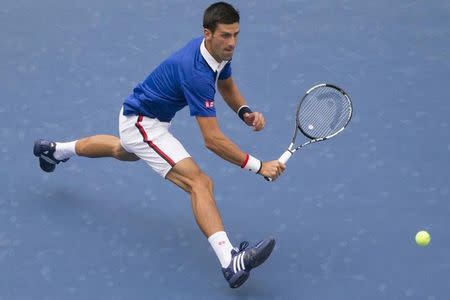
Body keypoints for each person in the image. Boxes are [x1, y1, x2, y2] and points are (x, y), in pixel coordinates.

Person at [33, 1, 285, 289]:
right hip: (143, 123)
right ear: (207, 33)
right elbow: (212, 140)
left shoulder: (217, 52)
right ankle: (230, 261)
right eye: (226, 35)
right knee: (199, 183)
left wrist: (244, 112)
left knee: (122, 150)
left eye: (236, 34)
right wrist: (259, 166)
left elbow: (226, 84)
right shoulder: (196, 73)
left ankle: (54, 150)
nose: (232, 42)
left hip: (139, 116)